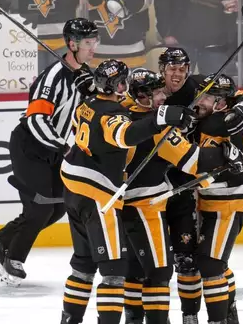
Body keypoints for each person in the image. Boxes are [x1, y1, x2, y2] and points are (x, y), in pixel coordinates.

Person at [58, 59, 196, 324]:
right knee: (113, 271)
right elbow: (126, 135)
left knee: (83, 265)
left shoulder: (86, 104)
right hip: (99, 197)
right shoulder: (113, 113)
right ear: (118, 84)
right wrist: (161, 118)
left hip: (73, 189)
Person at [0, 18, 99, 286]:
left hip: (52, 148)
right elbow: (36, 120)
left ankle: (1, 240)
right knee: (40, 208)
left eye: (94, 42)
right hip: (30, 145)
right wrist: (63, 146)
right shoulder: (53, 77)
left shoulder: (82, 74)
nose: (93, 48)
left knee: (57, 209)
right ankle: (14, 259)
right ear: (72, 44)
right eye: (88, 43)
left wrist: (94, 91)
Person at [121, 68, 243, 324]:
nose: (162, 96)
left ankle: (202, 316)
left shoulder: (126, 112)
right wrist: (225, 155)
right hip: (150, 203)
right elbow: (193, 160)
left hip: (171, 199)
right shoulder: (155, 122)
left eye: (161, 92)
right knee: (155, 270)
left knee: (194, 263)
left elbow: (232, 92)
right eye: (156, 92)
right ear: (142, 95)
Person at [155, 47, 243, 324]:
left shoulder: (219, 117)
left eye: (182, 68)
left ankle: (222, 317)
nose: (178, 74)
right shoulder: (153, 91)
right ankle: (199, 316)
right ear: (161, 69)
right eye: (171, 69)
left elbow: (235, 95)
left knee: (210, 264)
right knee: (193, 262)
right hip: (196, 196)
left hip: (224, 198)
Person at [191, 74, 243, 324]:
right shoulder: (211, 117)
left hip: (229, 200)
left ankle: (222, 318)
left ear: (220, 103)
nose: (199, 101)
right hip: (210, 200)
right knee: (214, 261)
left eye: (206, 97)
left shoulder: (220, 123)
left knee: (211, 264)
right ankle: (229, 313)